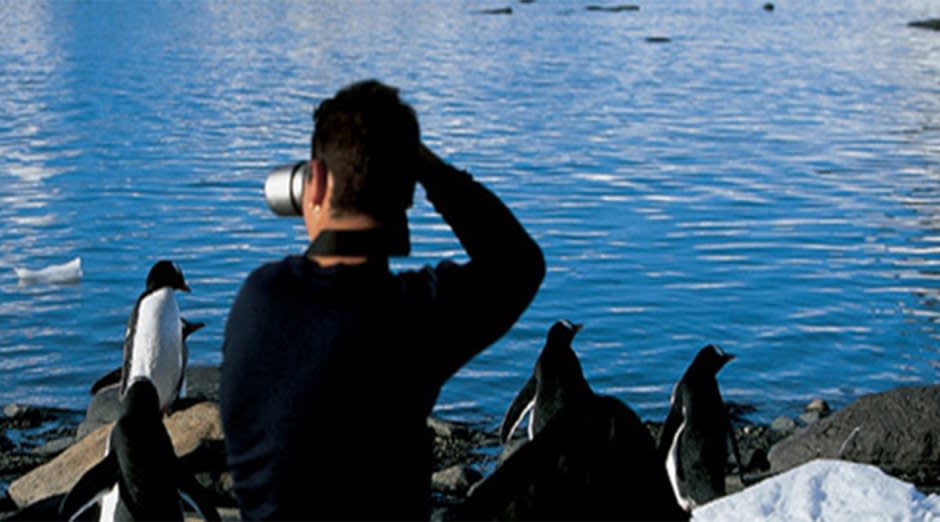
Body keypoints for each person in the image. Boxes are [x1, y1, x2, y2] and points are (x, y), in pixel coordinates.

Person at [219, 80, 545, 520]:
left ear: (313, 185)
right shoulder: (412, 315)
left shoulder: (258, 299)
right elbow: (519, 263)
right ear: (406, 195)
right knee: (596, 429)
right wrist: (429, 168)